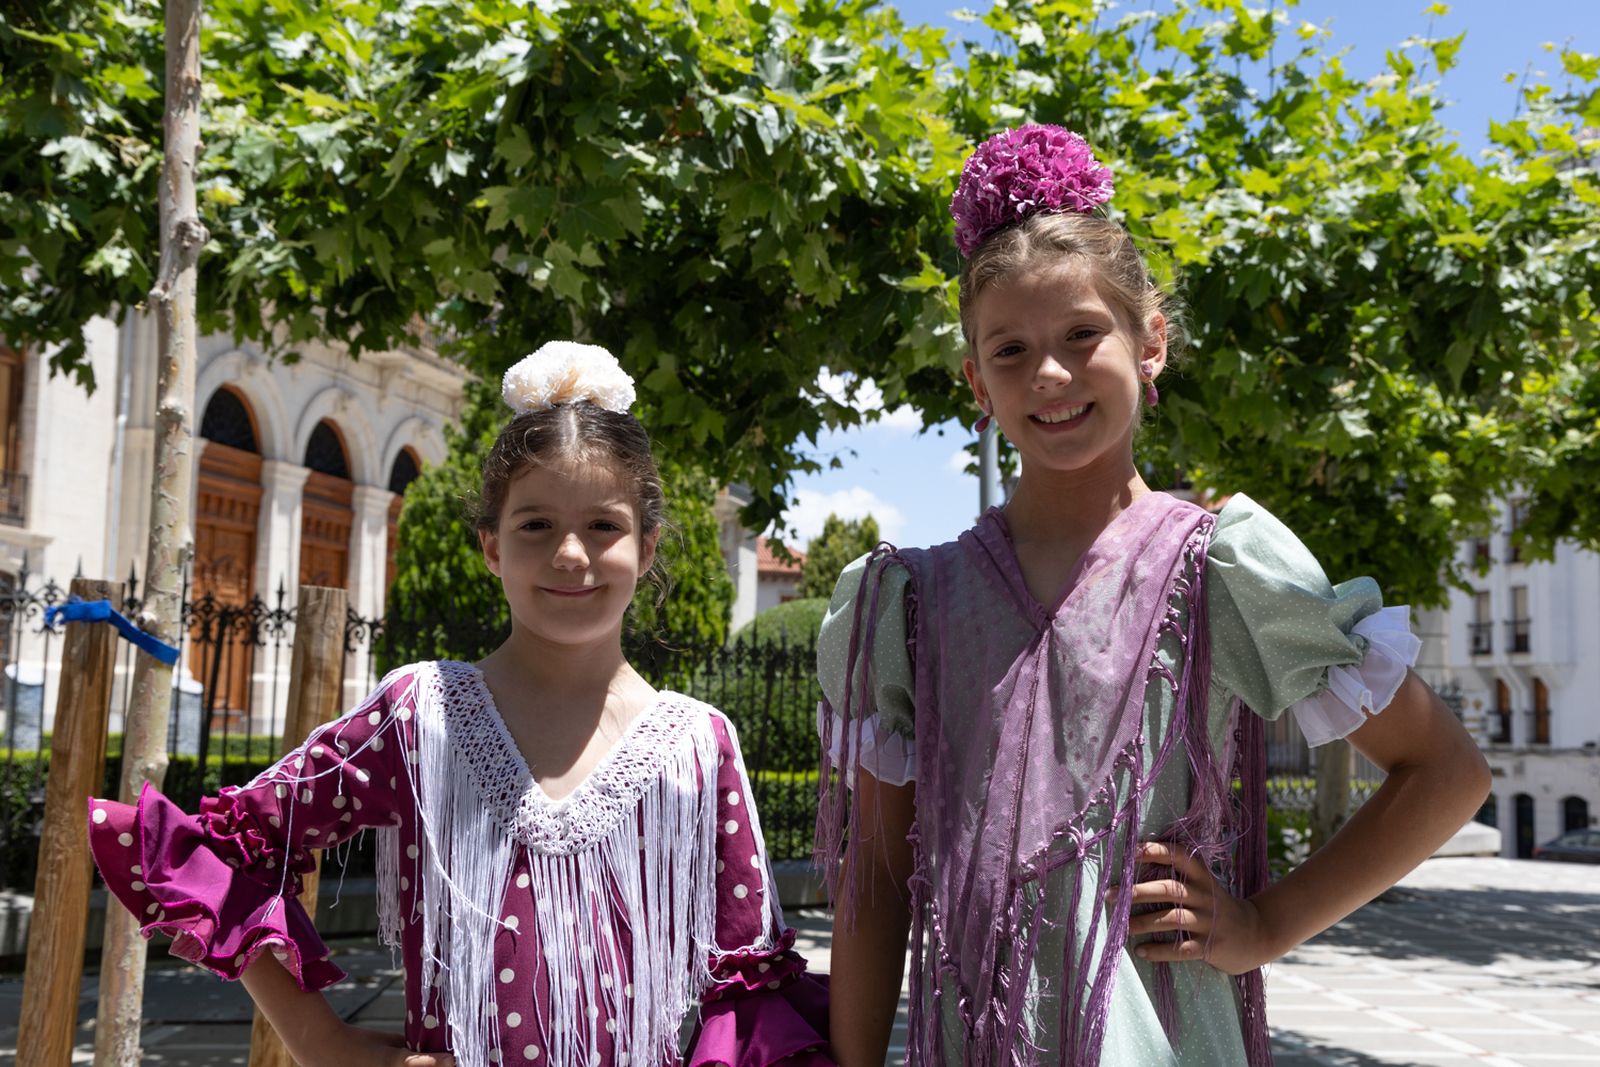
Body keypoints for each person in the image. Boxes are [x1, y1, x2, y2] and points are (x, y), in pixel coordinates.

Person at [814, 125, 1491, 1067]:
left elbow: (1446, 770)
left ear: (1151, 342)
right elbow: (877, 879)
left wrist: (1265, 922)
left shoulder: (1224, 567)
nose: (1048, 373)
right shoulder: (907, 601)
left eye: (1082, 335)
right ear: (976, 380)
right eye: (1009, 351)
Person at [89, 342, 831, 1067]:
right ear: (489, 546)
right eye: (536, 524)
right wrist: (325, 1042)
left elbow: (749, 987)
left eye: (603, 524)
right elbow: (222, 848)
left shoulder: (698, 745)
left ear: (648, 543)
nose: (571, 553)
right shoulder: (421, 716)